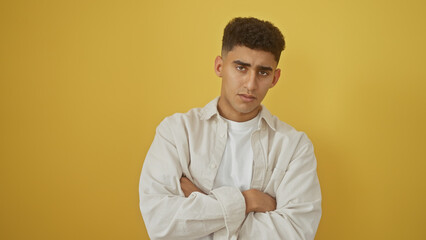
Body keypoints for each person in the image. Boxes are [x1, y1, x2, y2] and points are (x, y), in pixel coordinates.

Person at [139, 17, 321, 240]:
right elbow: (160, 224)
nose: (251, 84)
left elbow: (295, 233)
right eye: (241, 68)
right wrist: (247, 201)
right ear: (219, 66)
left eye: (263, 72)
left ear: (275, 78)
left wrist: (201, 202)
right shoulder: (176, 133)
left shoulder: (294, 147)